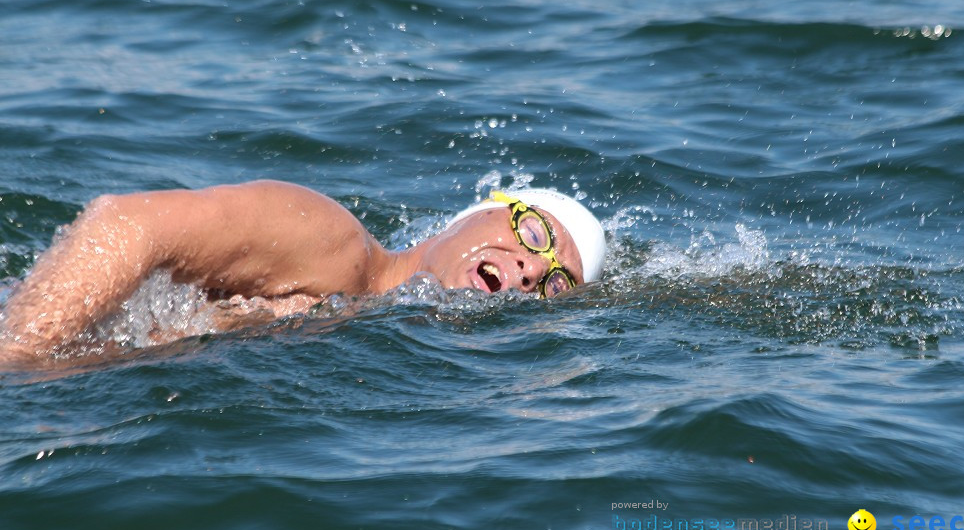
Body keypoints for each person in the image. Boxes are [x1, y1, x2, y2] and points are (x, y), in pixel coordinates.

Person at [0, 180, 606, 362]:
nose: (532, 270)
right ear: (472, 217)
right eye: (534, 234)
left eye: (556, 283)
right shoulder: (337, 247)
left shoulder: (369, 325)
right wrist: (21, 354)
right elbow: (124, 224)